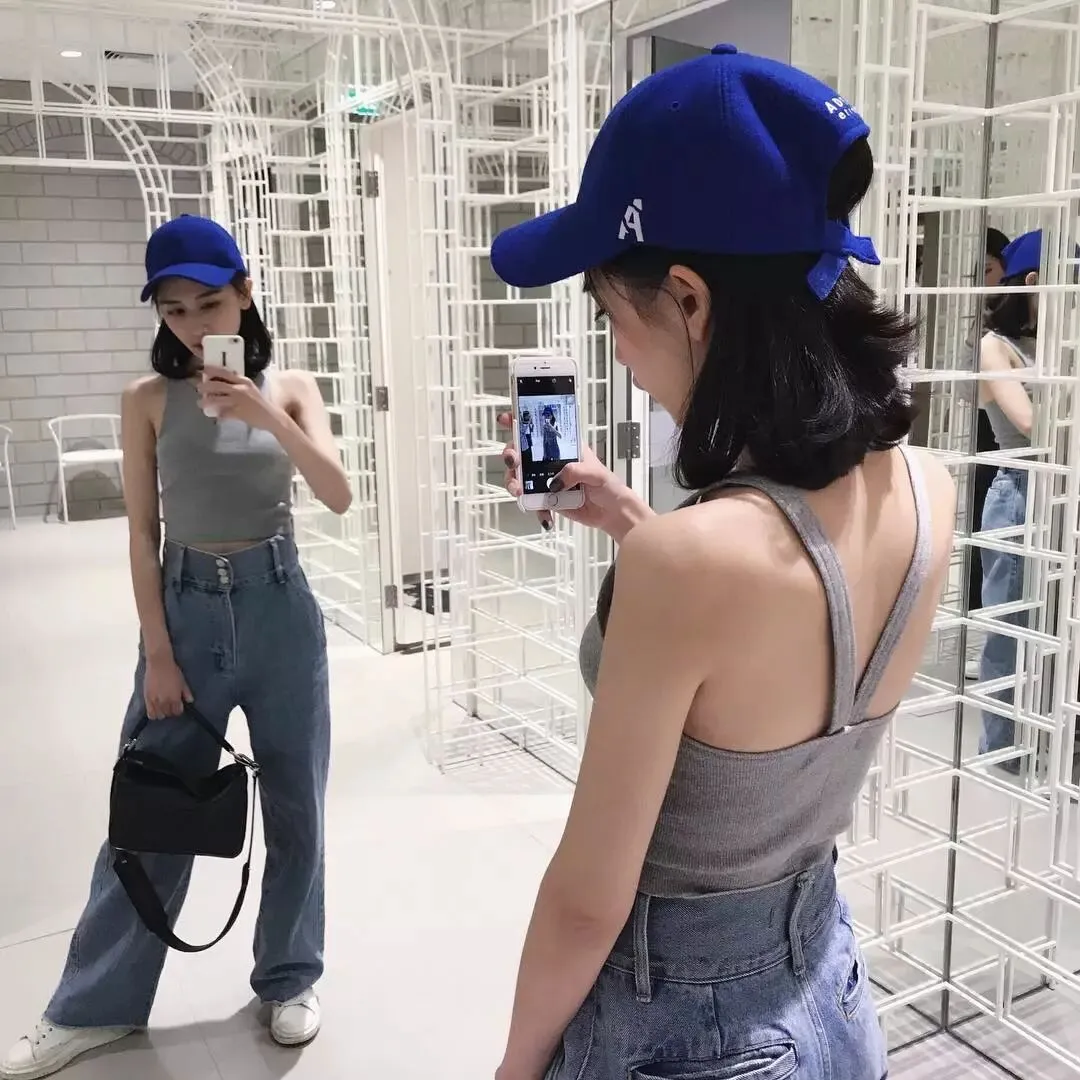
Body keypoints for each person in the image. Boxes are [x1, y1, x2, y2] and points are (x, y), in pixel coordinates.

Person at [491, 45, 956, 1080]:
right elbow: (784, 631)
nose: (618, 353)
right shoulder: (929, 491)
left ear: (689, 299)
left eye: (612, 313)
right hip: (828, 993)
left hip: (678, 1028)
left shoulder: (690, 567)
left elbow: (588, 901)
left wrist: (515, 1068)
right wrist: (636, 525)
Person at [1, 215, 352, 1080]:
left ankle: (289, 978)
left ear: (245, 295)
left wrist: (265, 413)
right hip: (186, 613)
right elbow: (141, 532)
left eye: (210, 302)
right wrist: (158, 651)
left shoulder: (291, 386)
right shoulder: (147, 400)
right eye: (175, 309)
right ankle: (92, 1007)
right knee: (150, 812)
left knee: (297, 810)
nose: (195, 325)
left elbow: (338, 493)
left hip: (280, 608)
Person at [976, 228, 1041, 771]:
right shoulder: (995, 346)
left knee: (1055, 627)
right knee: (1010, 624)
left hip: (1060, 497)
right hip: (1019, 492)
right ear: (1035, 282)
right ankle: (1002, 746)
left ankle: (1046, 737)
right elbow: (1029, 423)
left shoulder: (1055, 345)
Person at [965, 229, 1009, 671]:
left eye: (990, 269)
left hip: (1011, 445)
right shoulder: (985, 329)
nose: (985, 279)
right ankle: (983, 636)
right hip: (986, 433)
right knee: (984, 531)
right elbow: (968, 388)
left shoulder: (1015, 330)